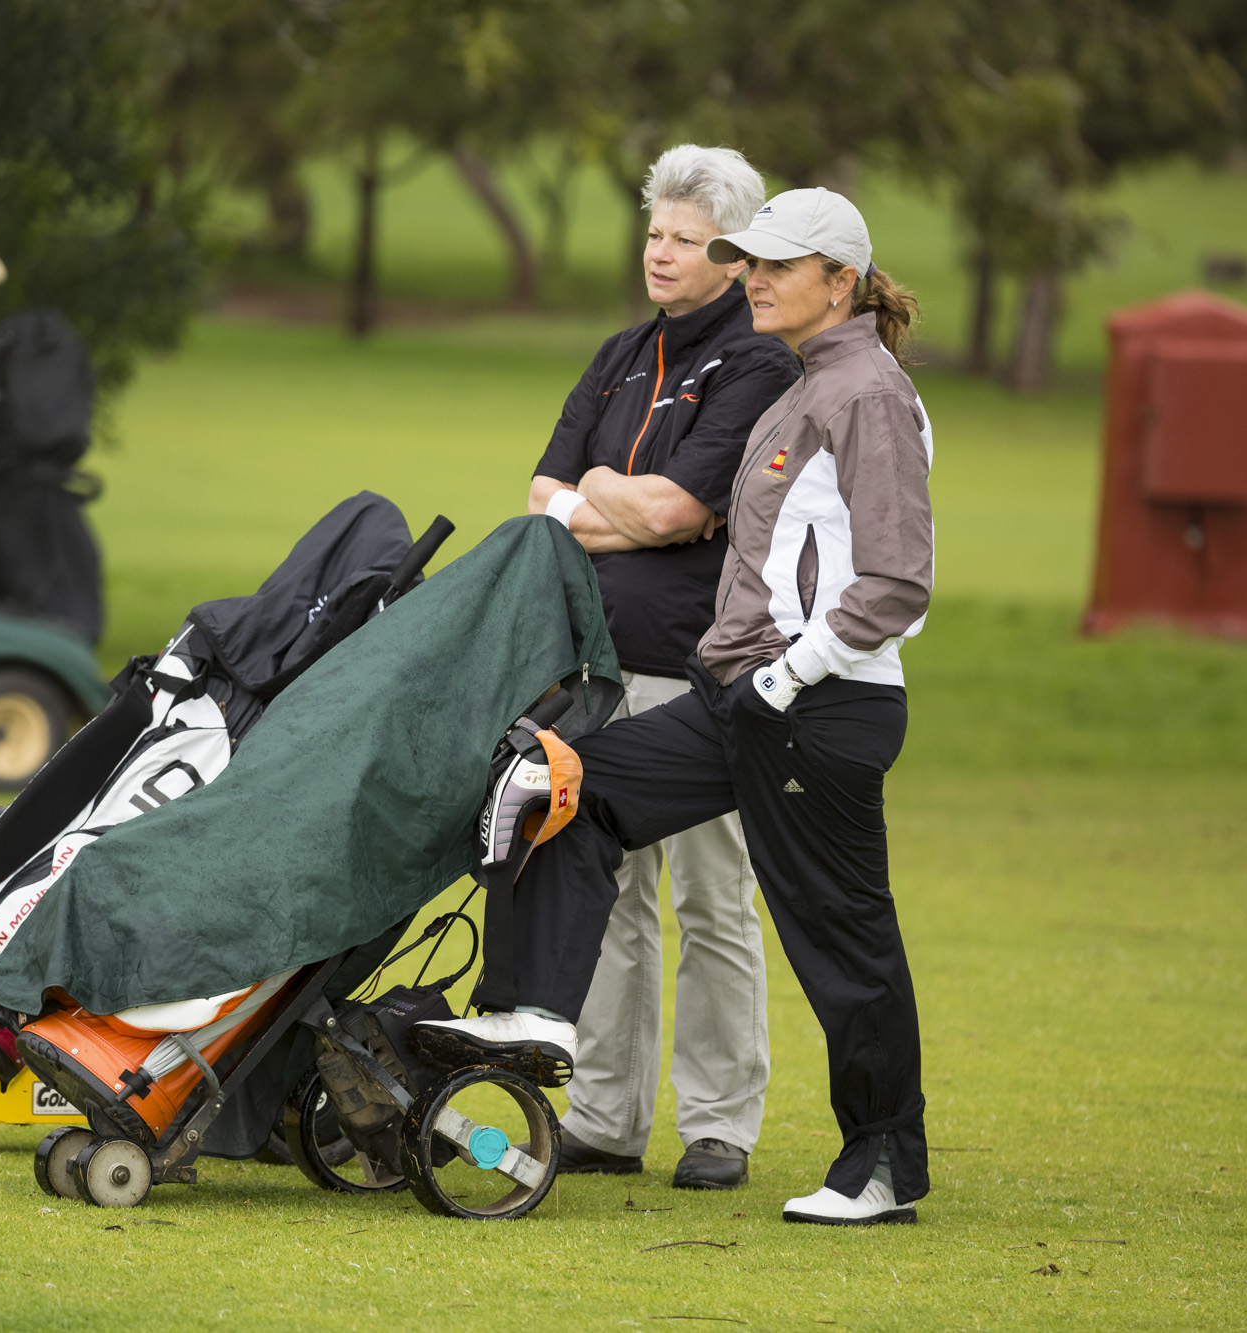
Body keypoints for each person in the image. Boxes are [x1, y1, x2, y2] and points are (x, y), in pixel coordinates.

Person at [419, 187, 936, 1226]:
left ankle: (880, 1165)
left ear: (840, 281)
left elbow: (895, 583)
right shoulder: (806, 383)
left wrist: (785, 678)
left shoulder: (866, 393)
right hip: (740, 697)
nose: (754, 279)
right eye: (750, 261)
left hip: (816, 705)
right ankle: (539, 1015)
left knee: (841, 937)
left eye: (777, 266)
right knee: (568, 789)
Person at [525, 145, 799, 1190]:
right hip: (590, 667)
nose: (661, 253)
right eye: (654, 233)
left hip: (701, 675)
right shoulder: (618, 354)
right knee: (607, 895)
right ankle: (604, 1118)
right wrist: (621, 502)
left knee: (715, 899)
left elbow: (682, 508)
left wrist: (606, 494)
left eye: (687, 239)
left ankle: (720, 1125)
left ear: (732, 256)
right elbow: (540, 495)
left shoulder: (760, 365)